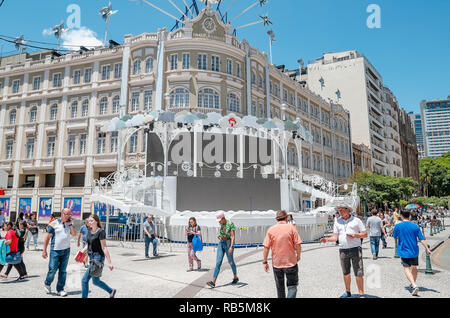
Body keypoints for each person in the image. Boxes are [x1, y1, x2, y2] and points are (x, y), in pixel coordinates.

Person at [320, 204, 368, 298]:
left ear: (348, 210)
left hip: (355, 249)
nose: (340, 212)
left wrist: (355, 236)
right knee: (346, 272)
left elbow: (365, 234)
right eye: (339, 210)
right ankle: (347, 292)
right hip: (343, 250)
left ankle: (361, 294)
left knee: (358, 272)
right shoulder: (337, 221)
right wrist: (327, 239)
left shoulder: (356, 220)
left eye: (342, 210)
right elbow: (335, 237)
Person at [263, 210, 302, 298]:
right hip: (290, 262)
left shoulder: (271, 229)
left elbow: (266, 247)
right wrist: (298, 256)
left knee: (280, 288)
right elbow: (298, 244)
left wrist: (265, 262)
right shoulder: (292, 228)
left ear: (277, 219)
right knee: (292, 287)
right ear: (287, 217)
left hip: (277, 263)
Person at [393, 210, 432, 296]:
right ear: (410, 216)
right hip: (414, 250)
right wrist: (427, 249)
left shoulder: (398, 226)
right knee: (414, 267)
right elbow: (422, 239)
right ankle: (413, 283)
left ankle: (414, 285)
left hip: (403, 249)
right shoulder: (415, 226)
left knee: (406, 268)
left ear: (402, 216)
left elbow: (395, 236)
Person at [42, 208, 77, 297]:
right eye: (67, 214)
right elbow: (47, 238)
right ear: (62, 214)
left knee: (63, 271)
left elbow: (74, 234)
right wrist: (44, 250)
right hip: (55, 250)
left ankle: (60, 289)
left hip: (66, 250)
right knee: (52, 269)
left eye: (70, 214)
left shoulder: (69, 224)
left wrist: (71, 225)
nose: (68, 216)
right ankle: (47, 283)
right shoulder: (53, 223)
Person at [80, 214, 116, 298]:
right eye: (89, 221)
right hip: (91, 257)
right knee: (95, 281)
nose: (90, 222)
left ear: (96, 221)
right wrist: (81, 253)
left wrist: (110, 262)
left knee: (84, 280)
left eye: (92, 220)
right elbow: (87, 245)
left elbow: (104, 247)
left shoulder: (101, 232)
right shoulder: (89, 231)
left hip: (98, 258)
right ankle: (111, 291)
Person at [206, 212, 239, 288]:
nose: (219, 222)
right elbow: (223, 231)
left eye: (220, 220)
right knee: (218, 262)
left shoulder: (230, 224)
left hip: (228, 243)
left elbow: (233, 236)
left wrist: (231, 246)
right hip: (221, 243)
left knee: (231, 262)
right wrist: (220, 235)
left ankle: (235, 277)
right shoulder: (221, 224)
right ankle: (213, 282)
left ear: (223, 218)